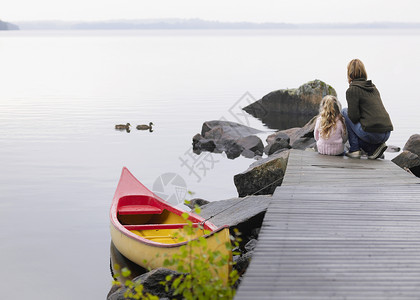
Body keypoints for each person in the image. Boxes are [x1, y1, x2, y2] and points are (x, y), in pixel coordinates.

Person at [342, 59, 393, 159]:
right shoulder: (373, 87)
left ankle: (354, 149)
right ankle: (373, 148)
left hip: (373, 134)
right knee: (362, 125)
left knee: (344, 111)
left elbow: (353, 117)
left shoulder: (352, 90)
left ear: (350, 73)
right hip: (386, 133)